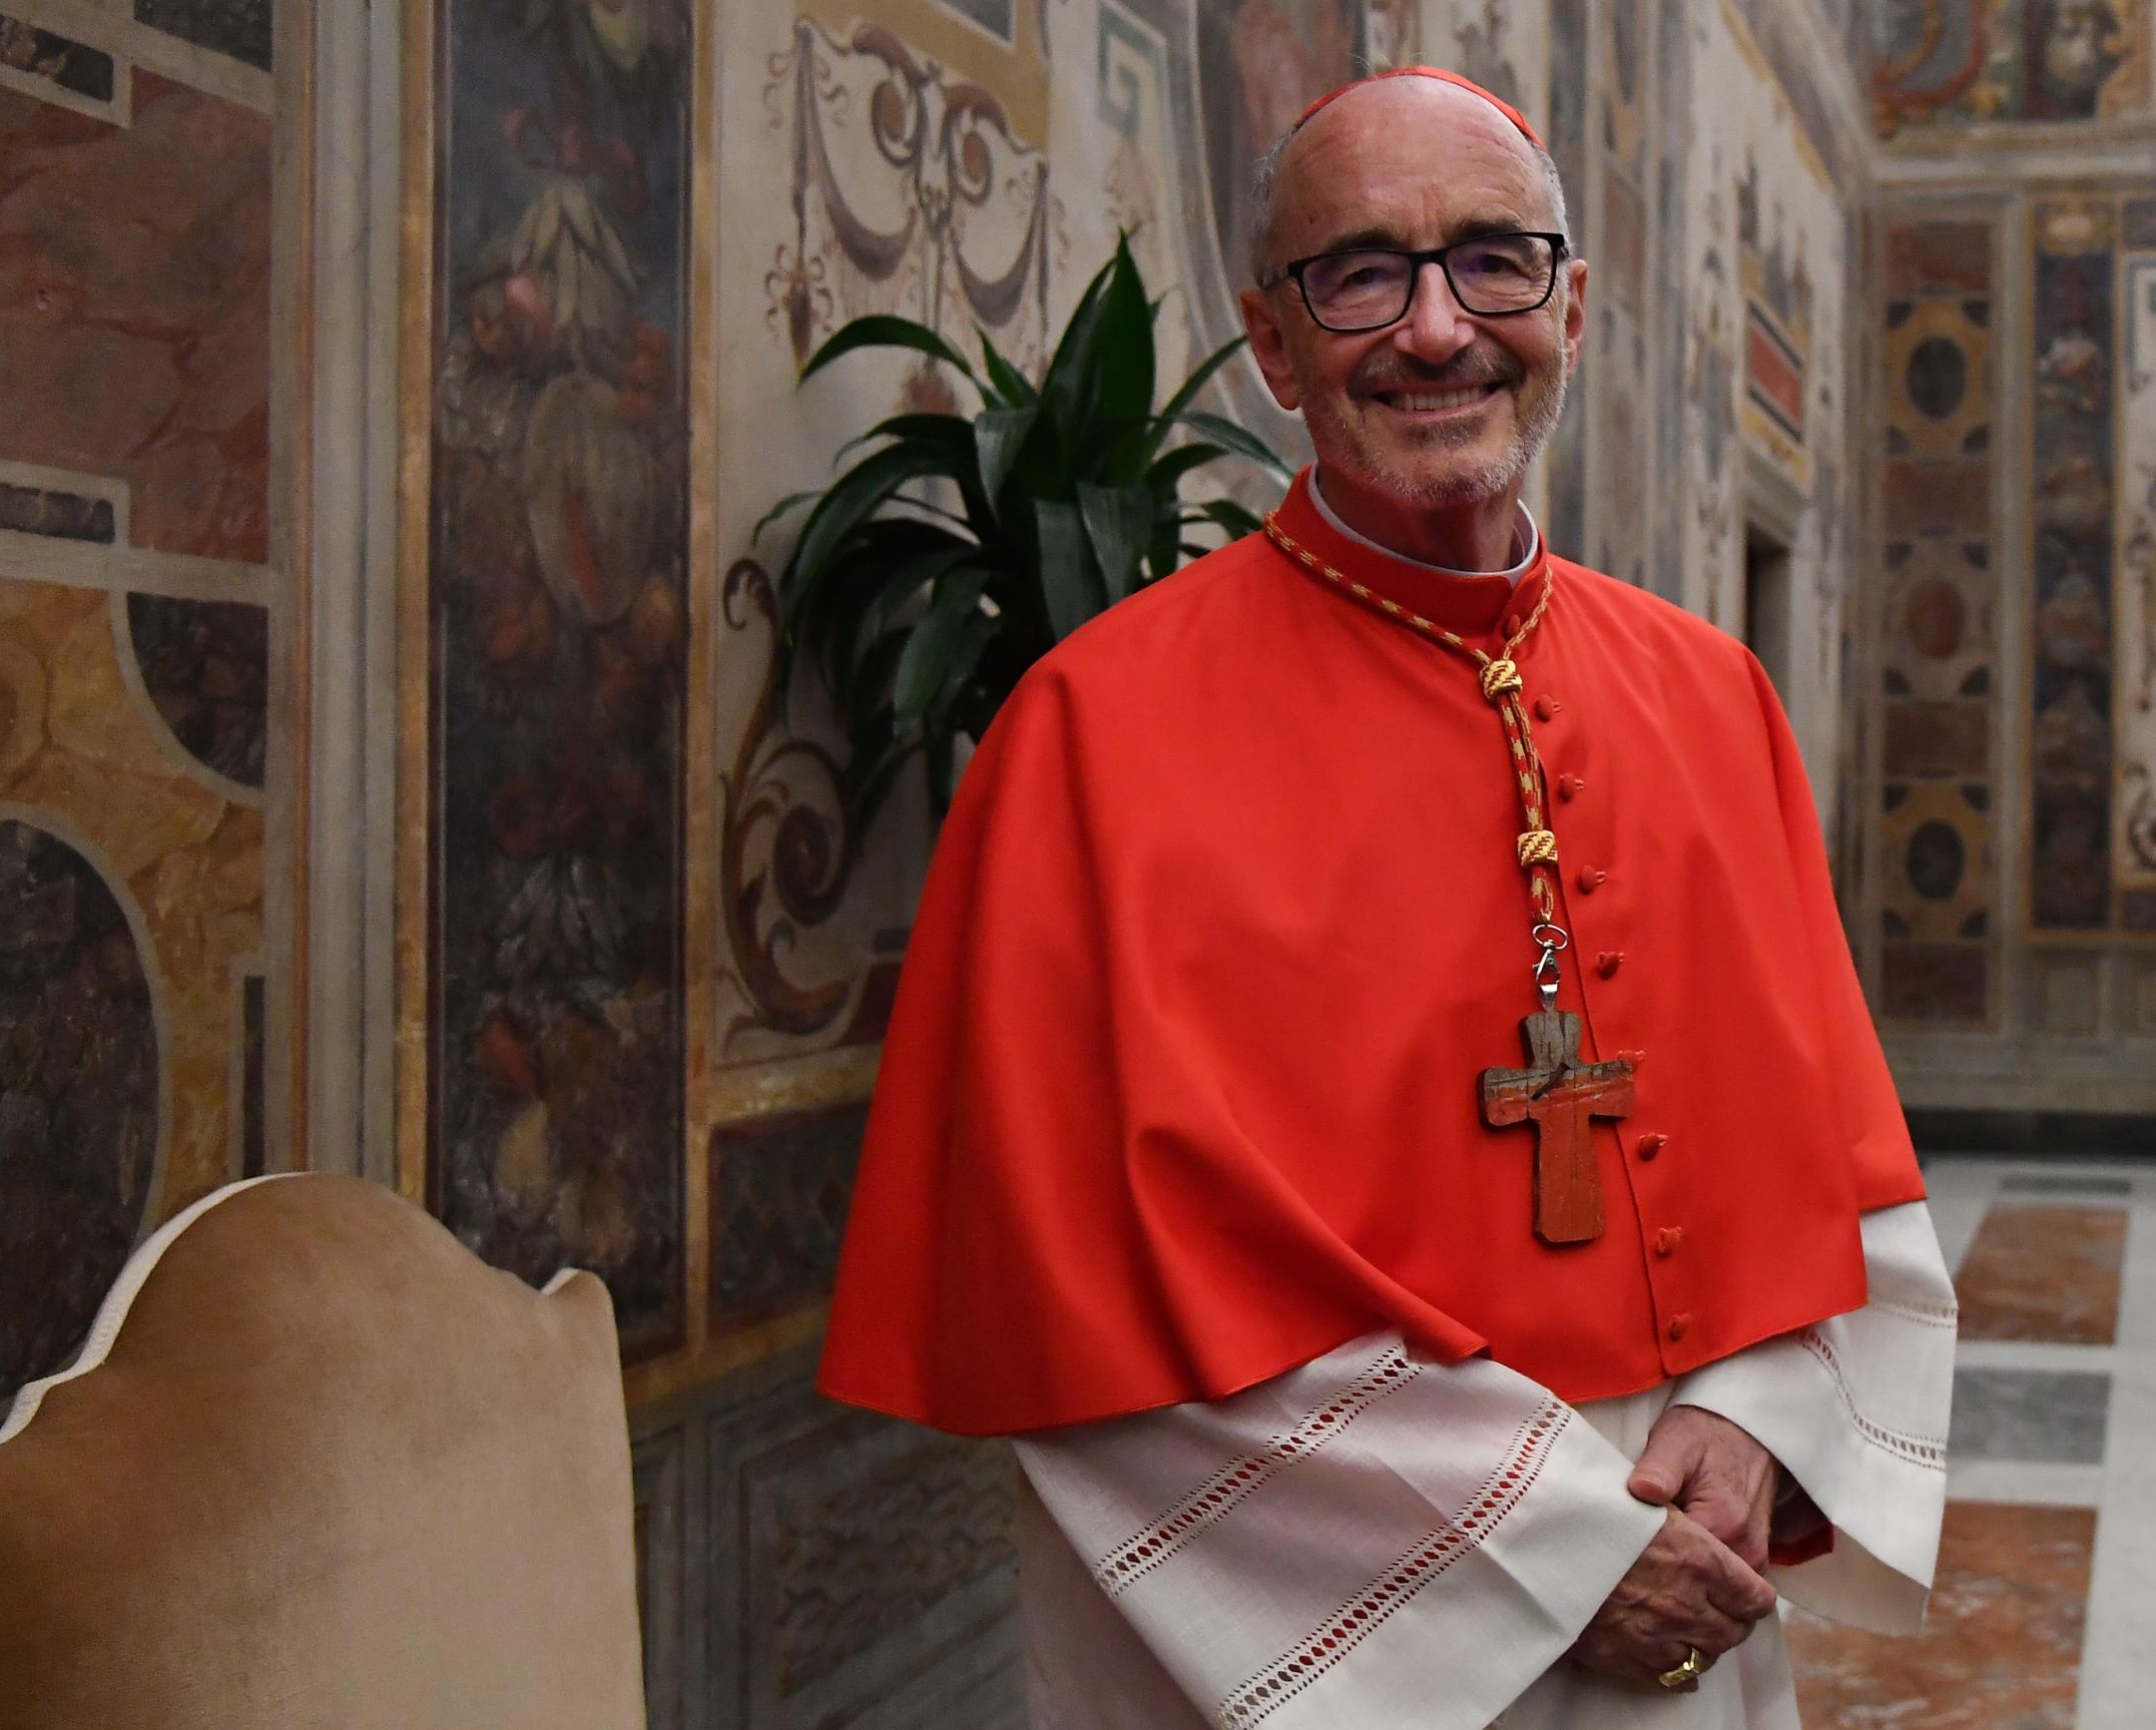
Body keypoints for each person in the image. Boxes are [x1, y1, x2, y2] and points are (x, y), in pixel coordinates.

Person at [818, 66, 1954, 1729]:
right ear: (1275, 345)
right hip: (1313, 1626)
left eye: (1494, 260)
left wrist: (1757, 1416)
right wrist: (1557, 1551)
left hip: (1682, 1557)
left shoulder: (1715, 698)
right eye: (1361, 272)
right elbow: (1092, 1313)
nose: (1437, 329)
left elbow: (1834, 1163)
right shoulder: (1087, 738)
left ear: (1572, 302)